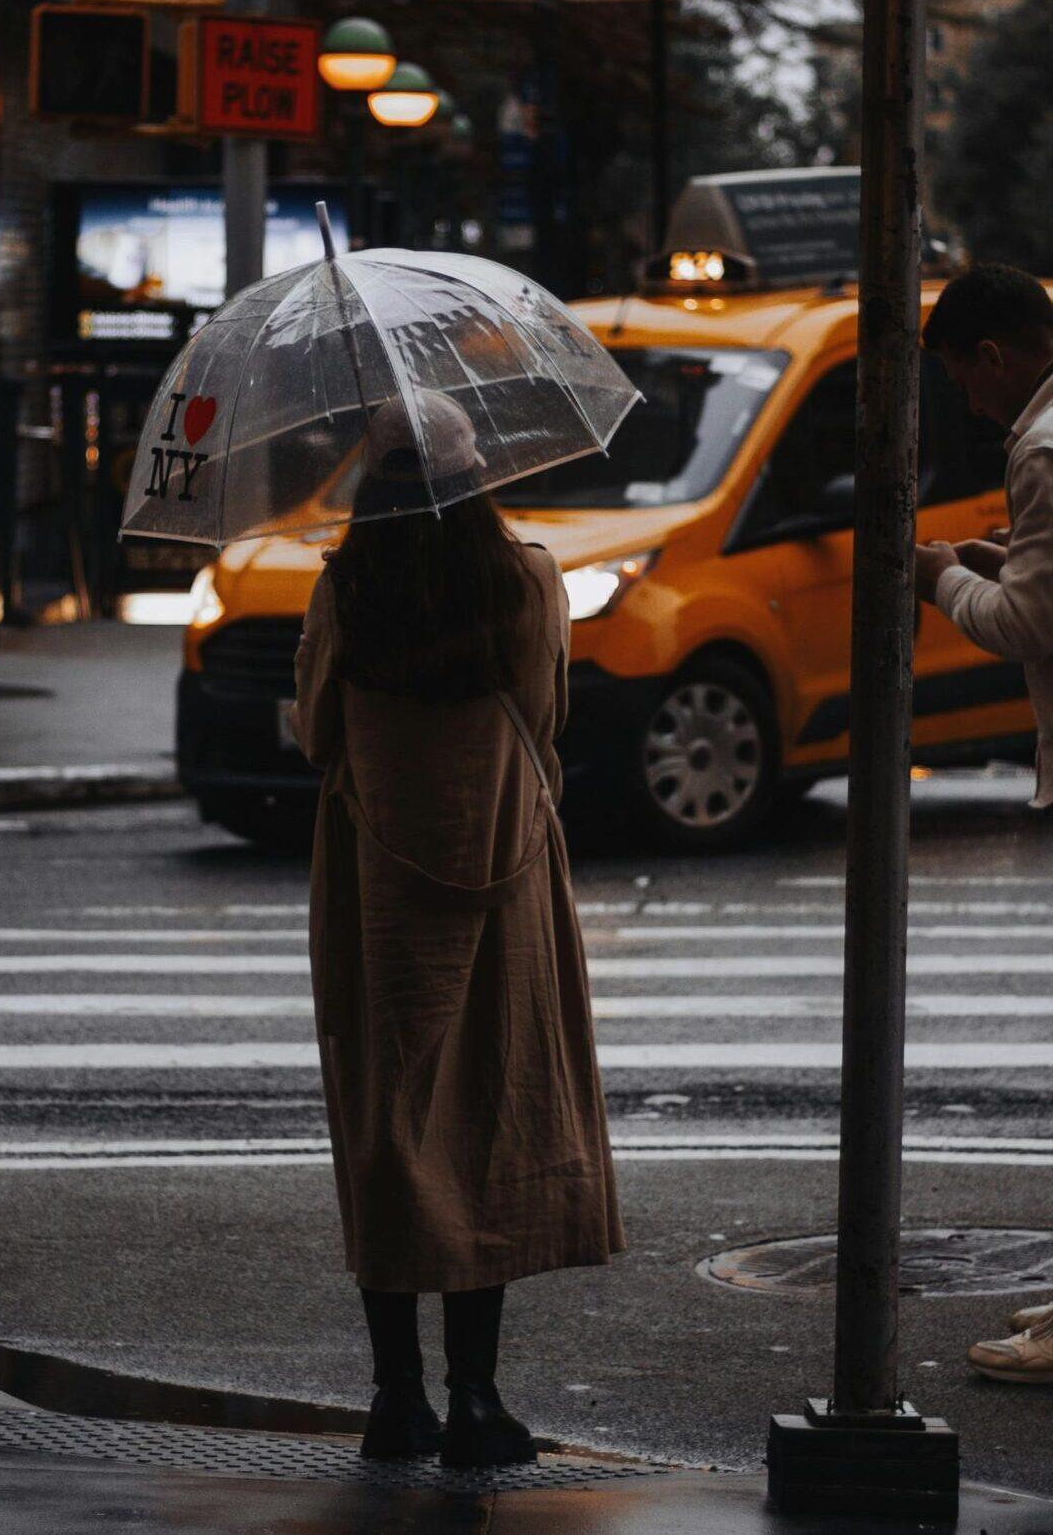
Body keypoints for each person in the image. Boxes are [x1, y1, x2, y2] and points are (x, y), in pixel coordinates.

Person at [291, 390, 624, 1469]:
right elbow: (543, 713)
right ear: (472, 477)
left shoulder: (347, 585)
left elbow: (317, 731)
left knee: (387, 1116)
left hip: (375, 879)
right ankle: (478, 1399)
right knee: (491, 1104)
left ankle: (397, 1400)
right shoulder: (523, 576)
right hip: (504, 862)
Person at [914, 263, 1053, 1384]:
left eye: (963, 377)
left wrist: (938, 581)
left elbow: (1022, 629)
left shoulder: (1041, 447)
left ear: (996, 357)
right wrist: (1005, 564)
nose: (965, 402)